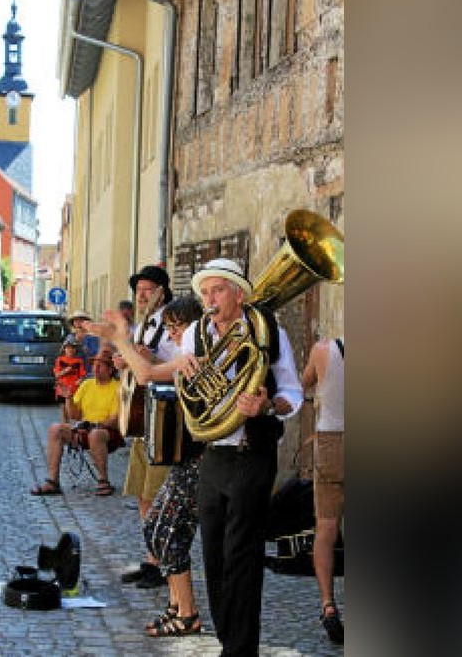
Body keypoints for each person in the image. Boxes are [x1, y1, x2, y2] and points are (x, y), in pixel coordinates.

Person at [94, 258, 303, 656]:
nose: (209, 299)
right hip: (212, 455)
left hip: (251, 454)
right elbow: (150, 374)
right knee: (214, 556)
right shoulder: (193, 336)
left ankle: (239, 650)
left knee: (242, 555)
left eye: (218, 290)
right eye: (205, 292)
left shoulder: (269, 332)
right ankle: (229, 639)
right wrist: (131, 344)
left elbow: (291, 394)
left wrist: (267, 405)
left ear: (239, 294)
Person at [102, 295, 208, 637]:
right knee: (156, 530)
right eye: (171, 327)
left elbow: (146, 374)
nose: (173, 334)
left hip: (199, 460)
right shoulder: (183, 356)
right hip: (184, 458)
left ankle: (187, 613)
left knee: (170, 532)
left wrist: (121, 338)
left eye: (178, 327)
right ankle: (178, 605)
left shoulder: (193, 358)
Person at [114, 264, 176, 589]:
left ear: (162, 292)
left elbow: (182, 367)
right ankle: (152, 559)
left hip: (165, 417)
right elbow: (136, 368)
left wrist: (148, 359)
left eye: (148, 289)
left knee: (158, 492)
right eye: (138, 290)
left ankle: (166, 564)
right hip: (142, 416)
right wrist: (124, 361)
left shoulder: (172, 324)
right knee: (142, 494)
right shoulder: (143, 326)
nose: (141, 295)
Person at [30, 348, 123, 498]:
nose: (95, 368)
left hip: (108, 432)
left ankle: (103, 480)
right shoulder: (87, 385)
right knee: (56, 429)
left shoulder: (117, 388)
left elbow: (115, 419)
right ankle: (52, 481)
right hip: (86, 429)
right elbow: (74, 415)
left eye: (100, 365)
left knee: (95, 434)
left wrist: (95, 425)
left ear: (111, 369)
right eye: (94, 365)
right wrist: (68, 397)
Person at [301, 336, 345, 645]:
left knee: (326, 527)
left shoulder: (323, 350)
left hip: (331, 442)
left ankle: (328, 605)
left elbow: (301, 384)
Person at [53, 339, 87, 423]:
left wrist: (80, 380)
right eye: (68, 348)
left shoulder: (79, 361)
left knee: (74, 411)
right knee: (64, 412)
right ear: (64, 349)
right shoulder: (60, 360)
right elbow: (57, 375)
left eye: (72, 348)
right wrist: (65, 371)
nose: (70, 350)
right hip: (62, 389)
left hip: (74, 388)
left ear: (75, 350)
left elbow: (82, 374)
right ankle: (65, 426)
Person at [67, 309, 100, 373]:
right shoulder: (70, 337)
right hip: (74, 373)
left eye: (81, 320)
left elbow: (95, 355)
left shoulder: (94, 337)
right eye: (76, 320)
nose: (78, 322)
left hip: (89, 373)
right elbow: (65, 355)